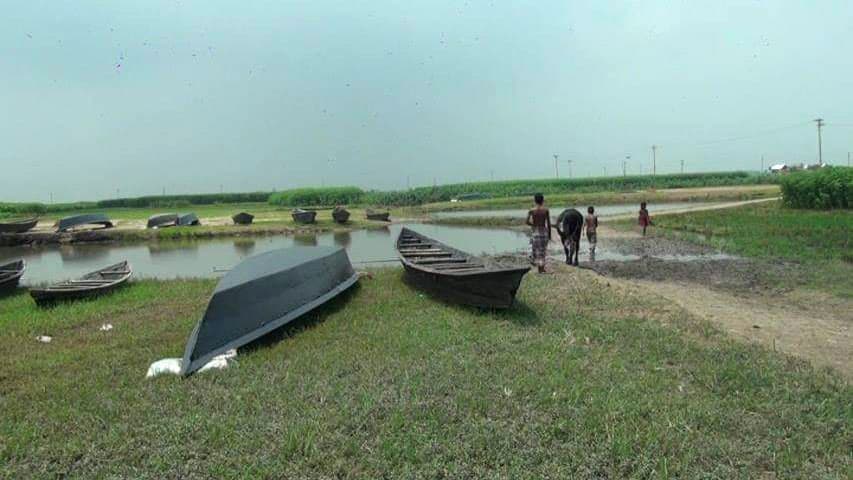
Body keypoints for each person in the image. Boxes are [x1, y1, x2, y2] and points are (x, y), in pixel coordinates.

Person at [525, 193, 551, 273]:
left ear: (535, 200)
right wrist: (549, 235)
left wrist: (534, 224)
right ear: (542, 200)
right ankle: (541, 268)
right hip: (543, 232)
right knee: (542, 251)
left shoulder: (532, 210)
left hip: (535, 232)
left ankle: (539, 267)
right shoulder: (546, 210)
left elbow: (526, 221)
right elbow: (548, 224)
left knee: (536, 250)